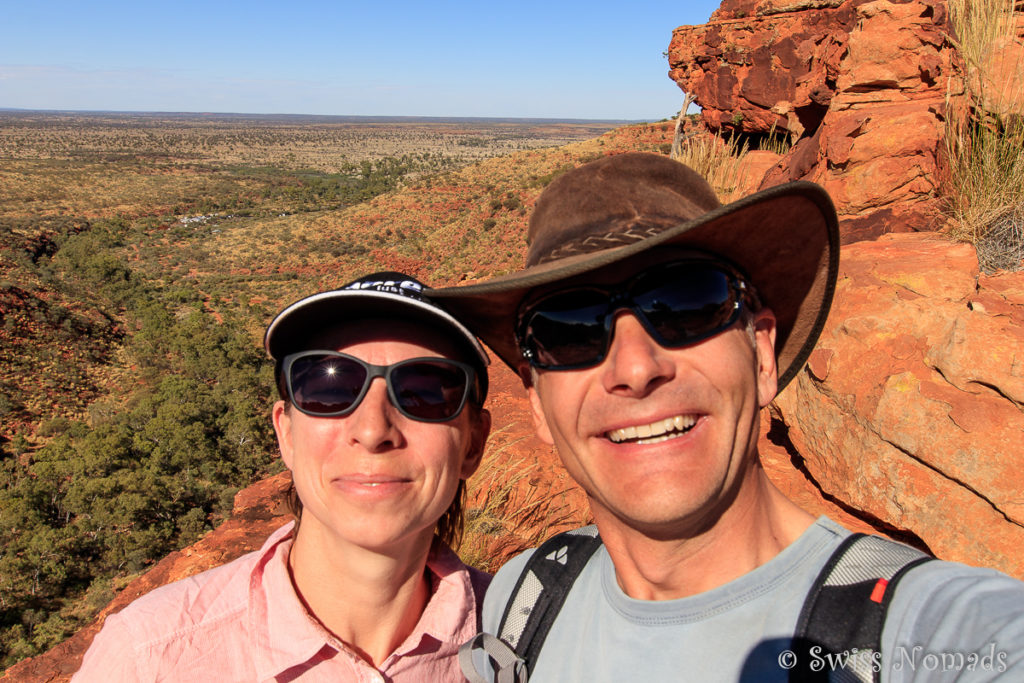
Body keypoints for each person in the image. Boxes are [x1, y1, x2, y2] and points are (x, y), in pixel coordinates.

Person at [431, 153, 1024, 682]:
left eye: (687, 303)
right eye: (570, 328)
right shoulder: (524, 597)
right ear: (536, 404)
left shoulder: (925, 631)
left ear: (762, 354)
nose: (636, 369)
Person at [74, 271, 492, 681]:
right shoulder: (149, 659)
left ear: (472, 444)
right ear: (286, 433)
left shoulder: (528, 637)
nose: (372, 430)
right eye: (331, 388)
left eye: (425, 392)